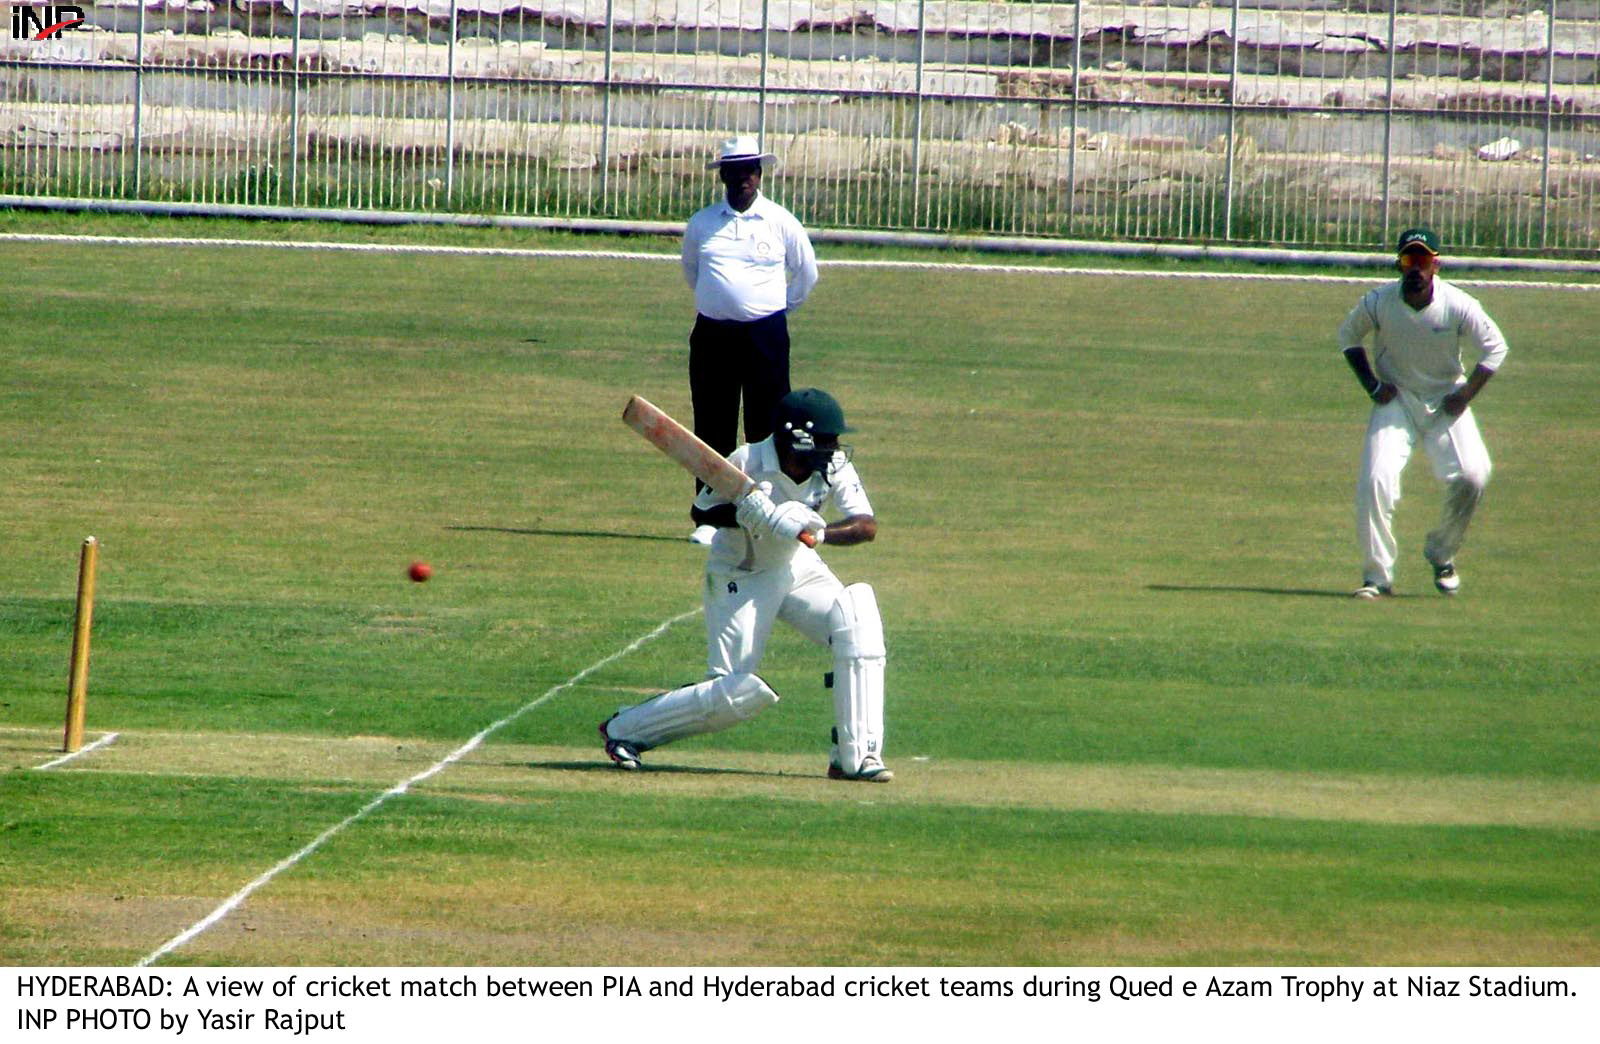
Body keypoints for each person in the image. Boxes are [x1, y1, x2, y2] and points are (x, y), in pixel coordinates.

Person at [600, 388, 891, 782]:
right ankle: (625, 729)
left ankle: (856, 756)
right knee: (732, 692)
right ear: (797, 438)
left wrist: (820, 534)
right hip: (741, 574)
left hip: (798, 566)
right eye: (826, 440)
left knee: (857, 622)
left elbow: (866, 526)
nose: (834, 448)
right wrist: (747, 514)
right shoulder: (747, 460)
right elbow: (702, 511)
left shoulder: (833, 464)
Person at [1338, 227, 1509, 599]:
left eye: (1422, 260)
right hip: (1396, 400)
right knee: (1375, 480)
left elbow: (1495, 348)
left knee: (1474, 475)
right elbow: (1348, 337)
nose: (1415, 268)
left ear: (1436, 265)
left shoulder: (1458, 304)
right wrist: (1373, 386)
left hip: (1445, 398)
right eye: (1408, 259)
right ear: (1399, 265)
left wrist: (1464, 395)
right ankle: (1377, 577)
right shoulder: (1378, 302)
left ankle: (1441, 552)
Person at [682, 135, 819, 545]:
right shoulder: (703, 223)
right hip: (713, 335)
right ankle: (713, 517)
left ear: (759, 175)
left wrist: (774, 311)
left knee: (767, 426)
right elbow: (693, 272)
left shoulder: (780, 221)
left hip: (766, 336)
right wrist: (722, 303)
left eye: (751, 170)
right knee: (713, 424)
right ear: (723, 175)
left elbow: (807, 274)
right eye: (736, 170)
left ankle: (770, 513)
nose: (744, 177)